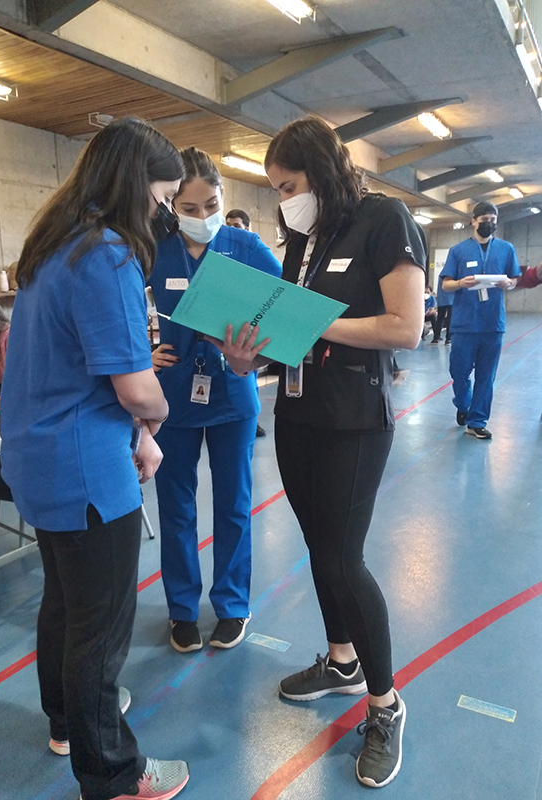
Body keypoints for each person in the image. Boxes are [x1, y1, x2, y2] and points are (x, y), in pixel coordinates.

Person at [207, 116, 426, 789]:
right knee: (318, 548)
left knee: (342, 558)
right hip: (299, 413)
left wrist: (317, 322)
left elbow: (406, 327)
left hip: (355, 420)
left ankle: (386, 705)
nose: (284, 200)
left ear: (322, 173)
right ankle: (342, 661)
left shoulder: (383, 220)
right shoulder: (304, 239)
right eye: (276, 189)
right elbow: (286, 340)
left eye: (289, 186)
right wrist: (246, 357)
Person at [0, 117, 190, 800]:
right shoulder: (107, 254)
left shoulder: (53, 245)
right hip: (84, 468)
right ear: (136, 187)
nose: (164, 214)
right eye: (161, 198)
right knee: (101, 629)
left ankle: (68, 720)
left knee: (66, 602)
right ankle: (113, 773)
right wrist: (156, 418)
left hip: (39, 459)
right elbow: (135, 386)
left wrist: (136, 428)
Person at [148, 148, 282, 654]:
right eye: (189, 207)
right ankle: (182, 608)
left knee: (233, 505)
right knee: (176, 507)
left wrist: (254, 354)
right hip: (173, 396)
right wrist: (140, 352)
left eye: (211, 205)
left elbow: (286, 309)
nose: (202, 216)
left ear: (223, 199)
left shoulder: (246, 247)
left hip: (231, 393)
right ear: (171, 205)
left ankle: (232, 605)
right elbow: (119, 307)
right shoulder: (155, 249)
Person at [440, 201, 520, 439]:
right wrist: (460, 283)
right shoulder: (458, 251)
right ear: (473, 221)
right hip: (464, 324)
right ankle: (463, 404)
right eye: (484, 219)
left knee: (486, 376)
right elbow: (446, 284)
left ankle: (476, 421)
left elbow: (515, 279)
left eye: (493, 220)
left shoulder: (506, 249)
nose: (489, 224)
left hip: (492, 324)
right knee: (459, 372)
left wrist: (509, 283)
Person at [225, 207, 269, 437]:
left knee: (251, 374)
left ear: (248, 228)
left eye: (237, 226)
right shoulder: (224, 255)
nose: (232, 231)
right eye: (228, 226)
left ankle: (254, 418)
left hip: (252, 326)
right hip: (231, 326)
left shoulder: (254, 253)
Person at [431, 272, 453, 344]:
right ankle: (448, 339)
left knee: (440, 319)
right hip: (451, 300)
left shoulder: (441, 274)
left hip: (442, 299)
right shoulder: (451, 274)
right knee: (450, 320)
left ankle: (436, 338)